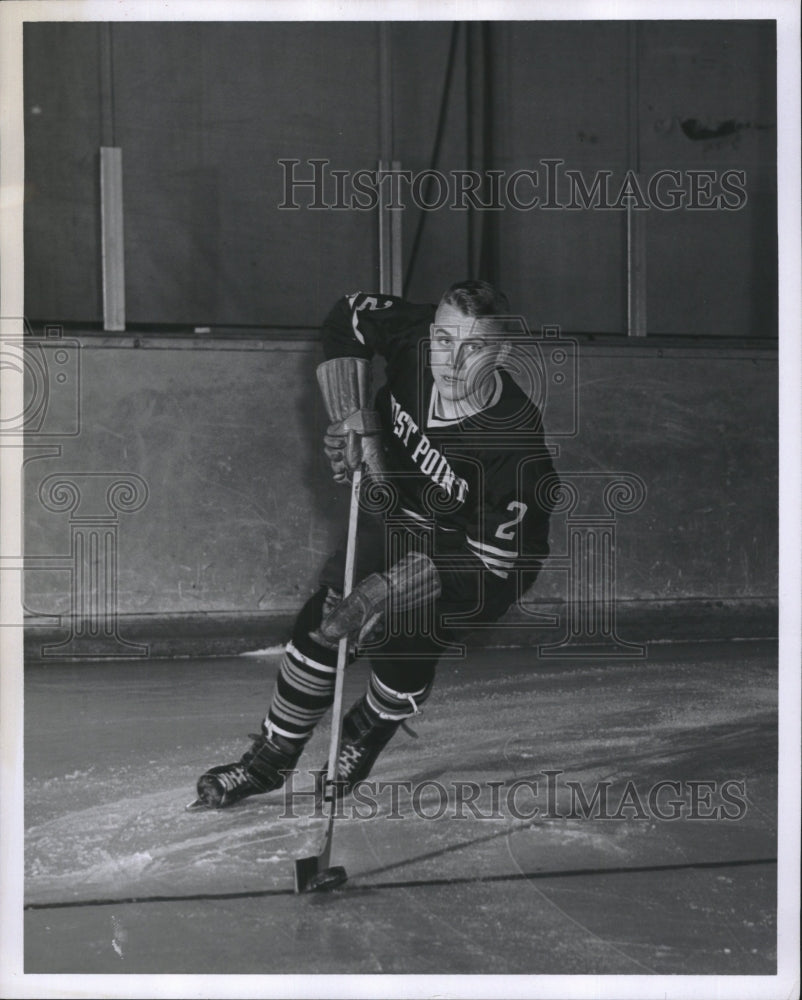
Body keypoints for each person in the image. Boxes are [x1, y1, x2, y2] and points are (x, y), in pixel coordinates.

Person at [191, 279, 557, 809]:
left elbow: (492, 565)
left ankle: (370, 725)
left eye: (474, 348)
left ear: (501, 353)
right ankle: (268, 763)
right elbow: (348, 318)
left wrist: (384, 592)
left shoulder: (515, 445)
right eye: (444, 341)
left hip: (474, 562)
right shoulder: (414, 338)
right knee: (325, 622)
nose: (452, 362)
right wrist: (353, 419)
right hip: (400, 516)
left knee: (403, 645)